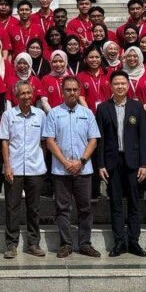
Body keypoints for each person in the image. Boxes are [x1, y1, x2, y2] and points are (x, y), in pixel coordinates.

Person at [43, 76, 101, 258]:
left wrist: (81, 161)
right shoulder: (53, 113)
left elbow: (93, 140)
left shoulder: (87, 113)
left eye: (75, 89)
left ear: (79, 91)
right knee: (62, 208)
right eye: (68, 90)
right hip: (61, 170)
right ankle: (66, 244)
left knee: (85, 208)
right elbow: (50, 141)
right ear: (62, 91)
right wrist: (66, 162)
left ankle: (84, 244)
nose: (72, 93)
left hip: (84, 169)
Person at [96, 71, 146, 257]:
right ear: (110, 86)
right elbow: (100, 139)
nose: (120, 86)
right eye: (116, 83)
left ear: (128, 86)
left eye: (123, 83)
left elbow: (144, 137)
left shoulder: (136, 107)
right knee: (116, 203)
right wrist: (101, 164)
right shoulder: (103, 108)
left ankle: (133, 241)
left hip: (134, 161)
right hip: (112, 161)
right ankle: (119, 241)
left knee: (134, 202)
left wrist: (144, 164)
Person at [0, 80, 48, 259]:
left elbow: (44, 141)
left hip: (35, 168)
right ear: (16, 96)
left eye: (29, 93)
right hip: (15, 168)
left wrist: (42, 161)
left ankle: (33, 244)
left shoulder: (41, 115)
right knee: (12, 207)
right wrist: (7, 165)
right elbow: (4, 141)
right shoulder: (8, 115)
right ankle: (11, 244)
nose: (26, 96)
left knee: (33, 208)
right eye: (22, 94)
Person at [77, 46, 111, 112]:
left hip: (108, 111)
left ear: (101, 58)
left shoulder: (108, 73)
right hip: (89, 112)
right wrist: (89, 113)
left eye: (97, 57)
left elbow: (113, 94)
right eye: (91, 57)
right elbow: (81, 97)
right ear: (86, 59)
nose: (94, 60)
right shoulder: (80, 76)